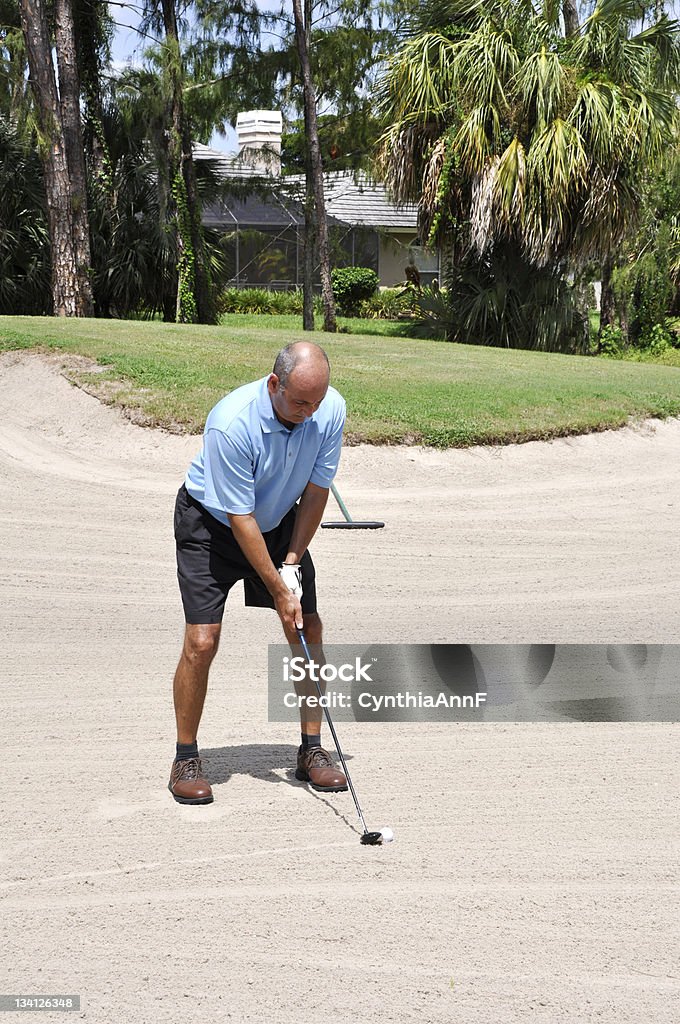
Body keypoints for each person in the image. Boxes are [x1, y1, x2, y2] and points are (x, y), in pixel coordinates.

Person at [169, 341, 348, 804]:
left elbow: (315, 490)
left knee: (307, 628)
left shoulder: (329, 411)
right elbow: (239, 517)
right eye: (300, 402)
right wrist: (276, 587)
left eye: (318, 402)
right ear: (275, 384)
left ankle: (312, 750)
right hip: (213, 525)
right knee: (202, 639)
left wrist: (291, 563)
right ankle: (185, 757)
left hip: (278, 522)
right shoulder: (231, 424)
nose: (310, 413)